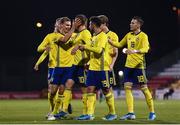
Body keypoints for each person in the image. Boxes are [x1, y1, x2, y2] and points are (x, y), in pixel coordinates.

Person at [108, 16, 156, 120]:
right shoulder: (128, 35)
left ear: (138, 25)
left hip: (139, 66)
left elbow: (146, 49)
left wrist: (134, 51)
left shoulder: (143, 36)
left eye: (133, 23)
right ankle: (130, 113)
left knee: (144, 88)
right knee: (127, 88)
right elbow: (120, 44)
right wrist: (110, 42)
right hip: (128, 66)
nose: (130, 24)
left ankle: (152, 112)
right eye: (131, 22)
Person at [76, 16, 117, 120]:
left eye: (90, 24)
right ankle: (89, 114)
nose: (89, 26)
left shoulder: (103, 36)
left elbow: (99, 50)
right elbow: (92, 51)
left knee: (106, 90)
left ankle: (112, 113)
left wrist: (85, 47)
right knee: (90, 89)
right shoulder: (94, 37)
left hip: (103, 68)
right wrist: (82, 49)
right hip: (92, 68)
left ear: (93, 25)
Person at [46, 17, 76, 120]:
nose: (68, 27)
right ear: (61, 25)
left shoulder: (74, 35)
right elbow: (64, 40)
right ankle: (52, 108)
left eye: (69, 25)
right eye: (66, 25)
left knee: (62, 90)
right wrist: (73, 28)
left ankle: (55, 113)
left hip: (69, 68)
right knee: (53, 92)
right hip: (58, 68)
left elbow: (83, 42)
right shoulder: (56, 36)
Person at [98, 15, 119, 120]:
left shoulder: (112, 35)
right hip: (97, 67)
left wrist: (112, 64)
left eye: (99, 24)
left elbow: (116, 52)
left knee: (107, 89)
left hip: (107, 67)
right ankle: (110, 113)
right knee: (100, 90)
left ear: (104, 24)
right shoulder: (98, 35)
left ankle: (113, 113)